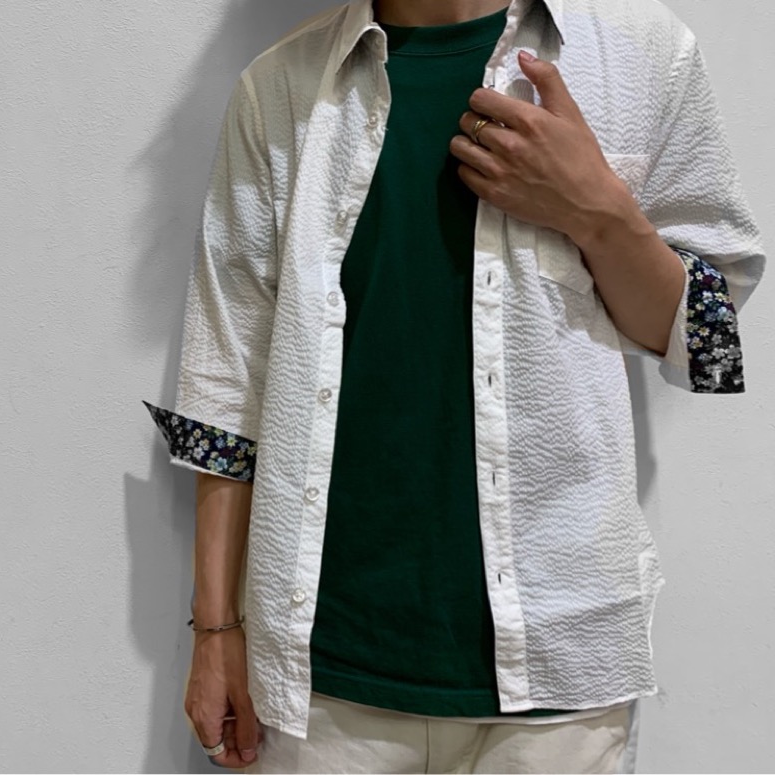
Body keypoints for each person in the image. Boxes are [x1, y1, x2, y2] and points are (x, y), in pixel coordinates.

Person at [143, 0, 766, 771]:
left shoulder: (643, 54)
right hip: (323, 680)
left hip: (558, 678)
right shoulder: (279, 89)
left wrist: (599, 212)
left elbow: (707, 345)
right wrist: (216, 628)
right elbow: (227, 379)